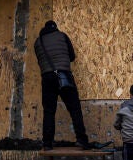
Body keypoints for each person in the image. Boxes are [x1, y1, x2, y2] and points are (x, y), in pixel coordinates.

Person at [34, 20, 93, 150]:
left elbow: (40, 61)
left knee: (49, 111)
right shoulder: (62, 36)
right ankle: (82, 140)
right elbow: (72, 56)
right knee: (75, 109)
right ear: (55, 28)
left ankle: (47, 143)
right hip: (64, 75)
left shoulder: (38, 41)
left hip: (47, 77)